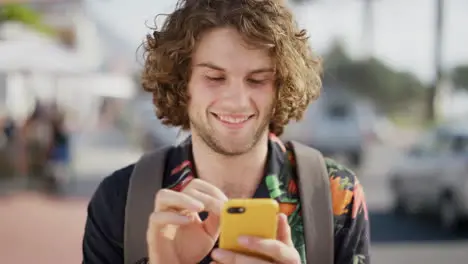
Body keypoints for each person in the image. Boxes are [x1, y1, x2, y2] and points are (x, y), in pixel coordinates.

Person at [82, 0, 370, 263]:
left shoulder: (336, 195)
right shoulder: (119, 199)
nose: (236, 100)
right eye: (215, 77)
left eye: (257, 80)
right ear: (183, 84)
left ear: (280, 87)